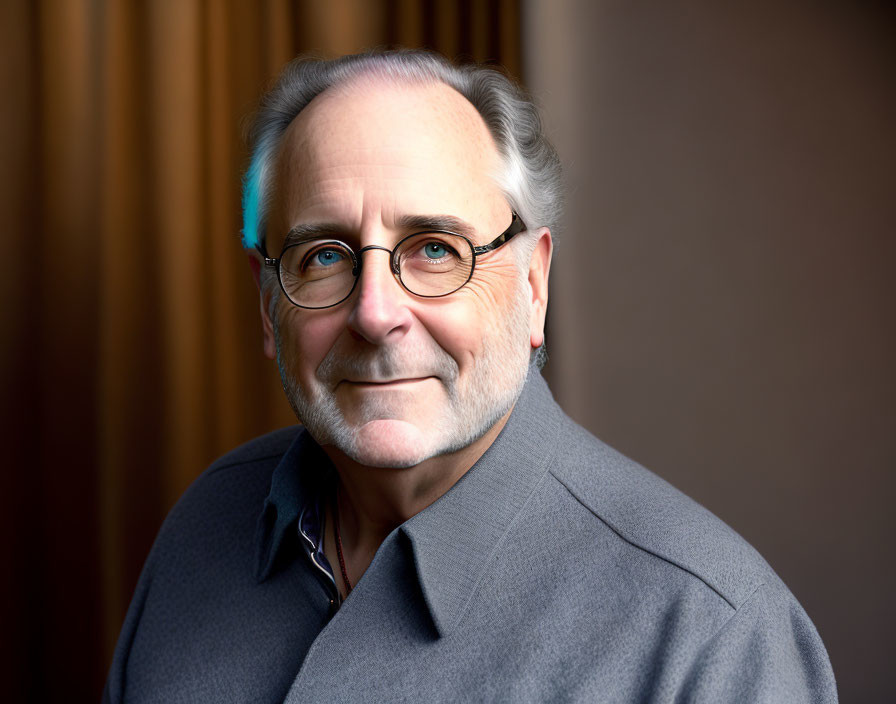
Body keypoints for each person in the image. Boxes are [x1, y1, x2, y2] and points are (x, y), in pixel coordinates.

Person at [104, 50, 836, 703]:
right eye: (324, 256)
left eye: (434, 250)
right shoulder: (203, 528)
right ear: (270, 307)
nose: (375, 313)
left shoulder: (710, 636)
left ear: (534, 284)